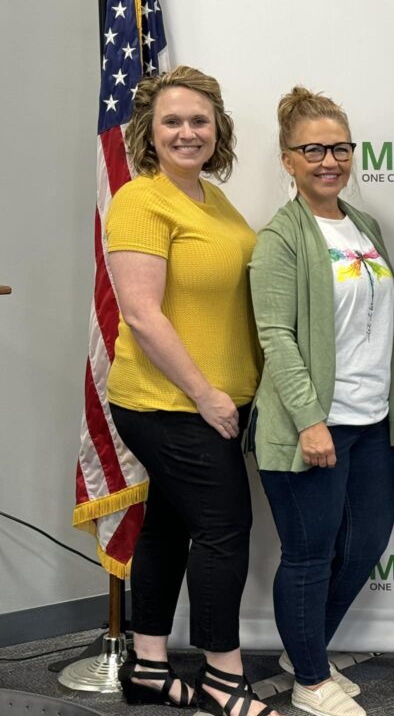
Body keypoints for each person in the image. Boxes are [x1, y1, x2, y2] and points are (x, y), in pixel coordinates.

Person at [106, 65, 276, 716]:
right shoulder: (141, 200)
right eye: (172, 121)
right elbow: (142, 314)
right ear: (149, 132)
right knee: (225, 530)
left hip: (214, 400)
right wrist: (206, 393)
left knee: (169, 525)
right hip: (167, 401)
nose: (187, 132)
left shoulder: (212, 198)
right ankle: (223, 678)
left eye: (199, 120)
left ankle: (150, 667)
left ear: (217, 128)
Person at [248, 87, 394, 716]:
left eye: (340, 148)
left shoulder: (364, 226)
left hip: (372, 420)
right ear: (288, 159)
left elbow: (389, 321)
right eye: (313, 150)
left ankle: (304, 650)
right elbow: (276, 337)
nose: (329, 161)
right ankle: (311, 680)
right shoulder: (281, 237)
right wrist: (309, 420)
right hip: (311, 426)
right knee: (309, 555)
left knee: (366, 543)